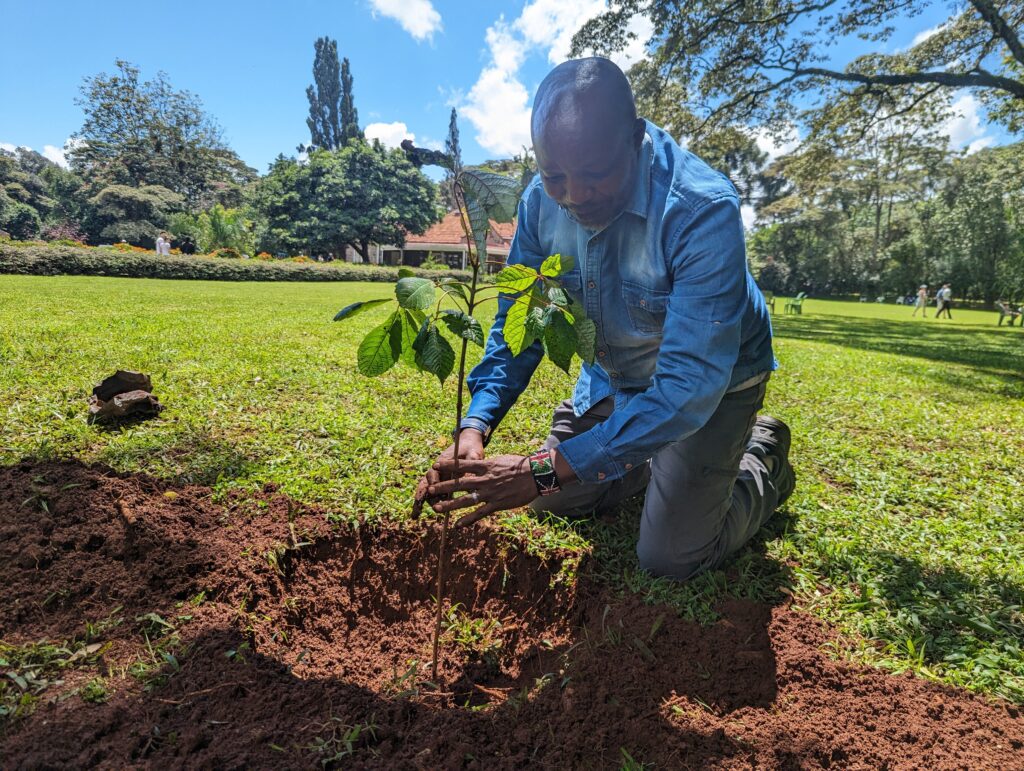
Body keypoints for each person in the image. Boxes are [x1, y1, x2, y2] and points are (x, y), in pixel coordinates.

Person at [417, 57, 795, 582]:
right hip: (615, 377)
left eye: (595, 174)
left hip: (714, 387)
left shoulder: (701, 210)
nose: (573, 196)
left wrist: (541, 471)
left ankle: (761, 451)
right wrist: (475, 425)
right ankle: (642, 458)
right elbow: (518, 323)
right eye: (555, 176)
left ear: (634, 138)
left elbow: (688, 387)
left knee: (670, 557)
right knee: (553, 503)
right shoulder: (538, 202)